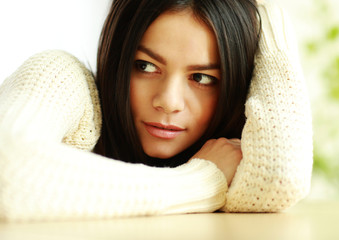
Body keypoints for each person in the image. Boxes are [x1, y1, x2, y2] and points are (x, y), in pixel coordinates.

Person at [0, 0, 313, 221]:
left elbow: (280, 178)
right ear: (118, 55)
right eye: (146, 66)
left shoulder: (230, 154)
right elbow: (8, 170)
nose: (169, 101)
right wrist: (202, 180)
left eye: (202, 78)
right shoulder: (62, 78)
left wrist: (270, 22)